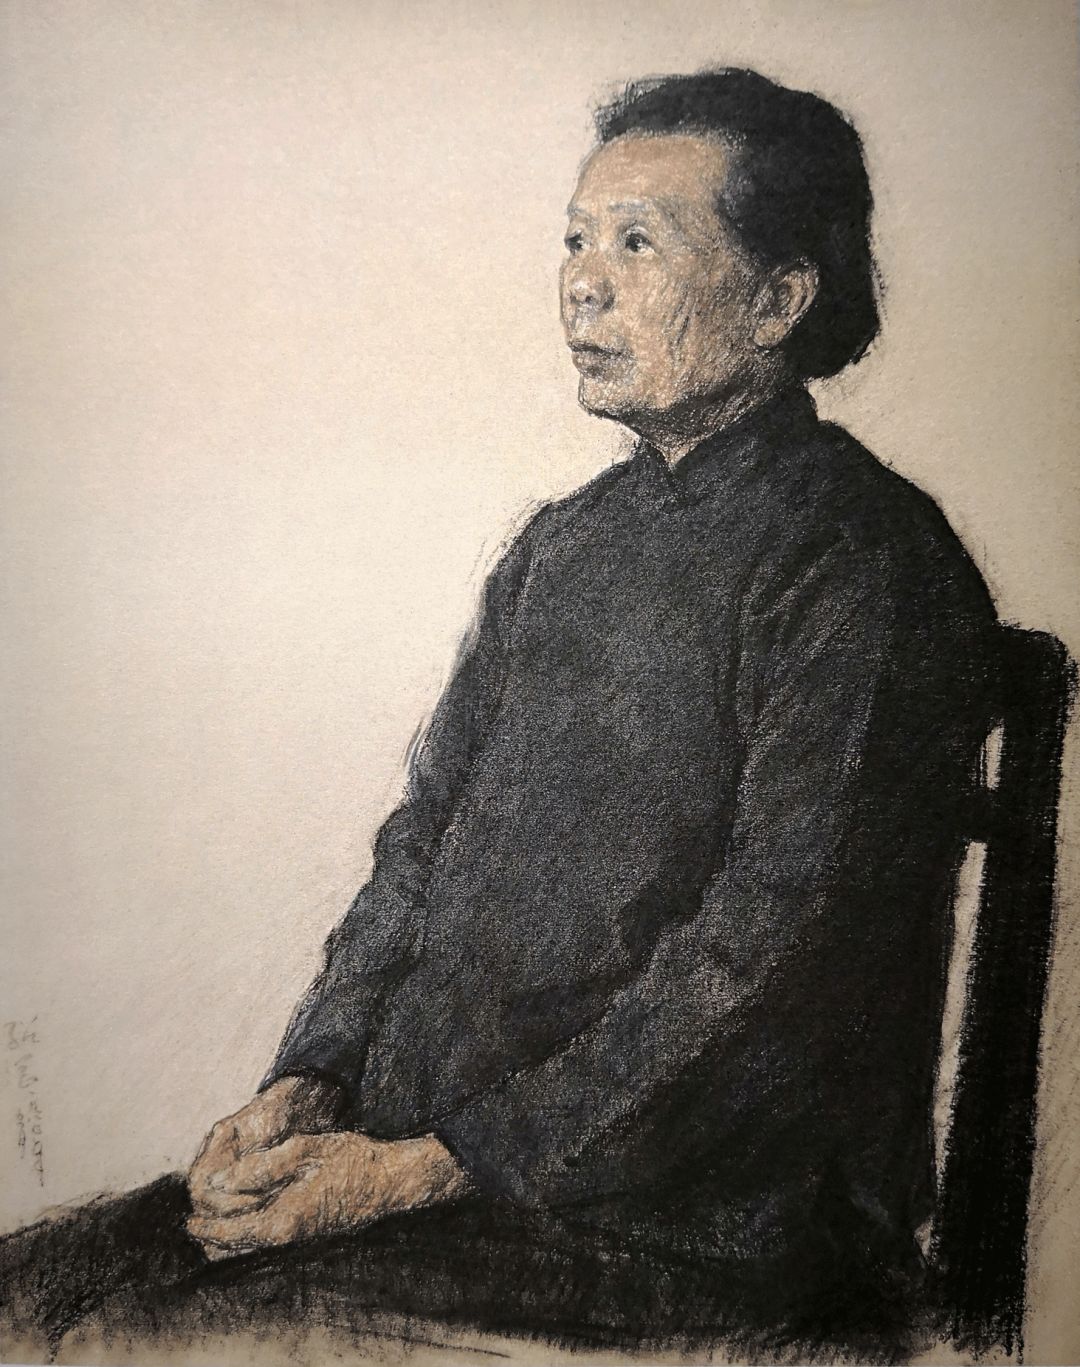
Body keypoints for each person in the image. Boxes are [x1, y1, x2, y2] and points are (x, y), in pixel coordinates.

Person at [1, 68, 997, 1362]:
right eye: (576, 241)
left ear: (777, 299)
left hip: (703, 1229)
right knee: (34, 1288)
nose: (583, 285)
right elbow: (421, 846)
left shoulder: (863, 562)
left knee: (132, 1342)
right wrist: (311, 1081)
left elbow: (770, 962)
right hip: (430, 1171)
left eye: (638, 245)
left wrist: (427, 1168)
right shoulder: (559, 550)